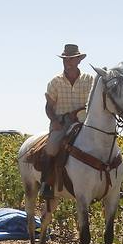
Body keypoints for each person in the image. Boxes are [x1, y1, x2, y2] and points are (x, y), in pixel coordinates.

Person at [40, 43, 94, 199]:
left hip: (85, 121)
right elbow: (49, 107)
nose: (68, 62)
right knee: (51, 148)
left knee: (106, 142)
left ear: (78, 60)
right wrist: (54, 121)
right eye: (65, 59)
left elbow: (95, 102)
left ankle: (114, 184)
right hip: (62, 122)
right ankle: (47, 183)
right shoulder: (55, 82)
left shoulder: (89, 80)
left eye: (71, 59)